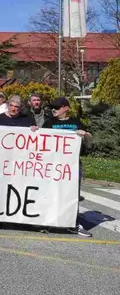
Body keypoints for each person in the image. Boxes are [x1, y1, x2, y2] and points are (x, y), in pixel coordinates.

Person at [43, 97, 93, 237]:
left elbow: (89, 142)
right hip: (53, 165)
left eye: (57, 107)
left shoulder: (76, 122)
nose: (54, 110)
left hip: (72, 165)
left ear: (66, 108)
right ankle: (48, 221)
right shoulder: (49, 122)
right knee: (51, 192)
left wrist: (85, 134)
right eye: (52, 107)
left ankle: (73, 223)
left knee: (71, 194)